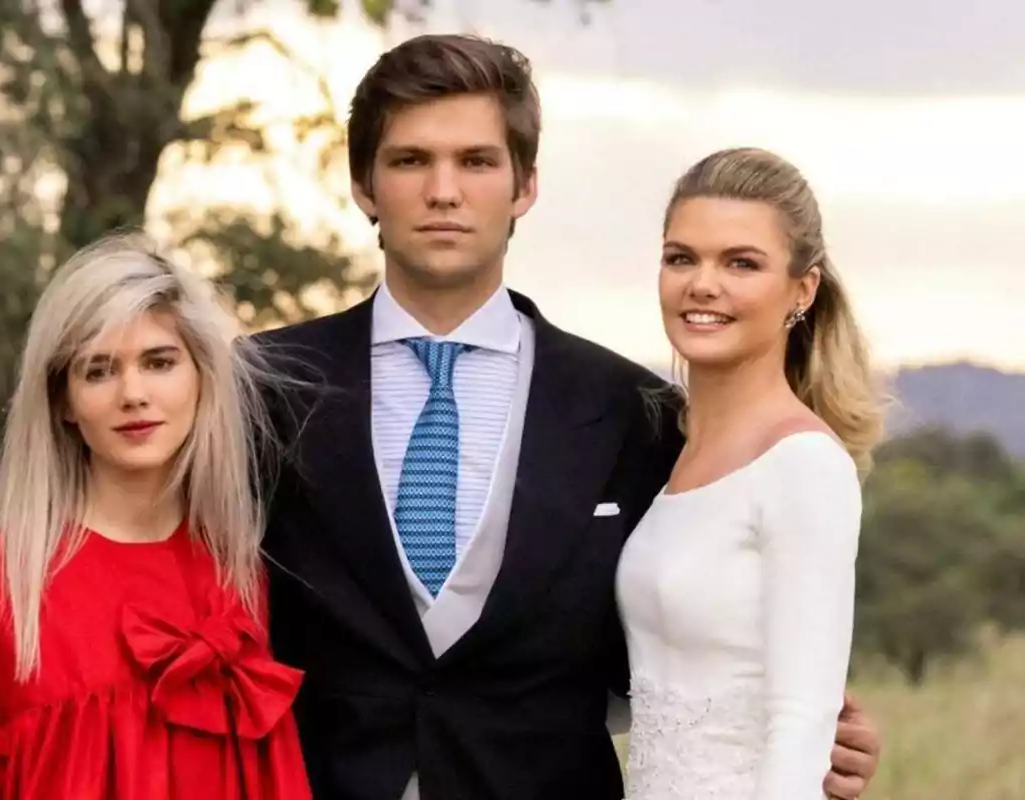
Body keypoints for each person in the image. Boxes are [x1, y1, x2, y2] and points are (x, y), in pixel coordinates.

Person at [257, 34, 881, 800]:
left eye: (478, 161)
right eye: (411, 160)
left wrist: (815, 733)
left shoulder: (633, 412)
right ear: (363, 184)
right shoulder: (260, 387)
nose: (444, 191)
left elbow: (681, 634)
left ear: (525, 187)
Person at [0, 235, 312, 800]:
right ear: (63, 401)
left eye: (159, 362)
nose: (133, 394)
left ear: (203, 379)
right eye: (98, 371)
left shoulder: (237, 573)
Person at [615, 147, 887, 799]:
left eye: (741, 263)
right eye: (682, 258)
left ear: (803, 289)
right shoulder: (662, 455)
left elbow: (803, 722)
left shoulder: (803, 466)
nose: (702, 285)